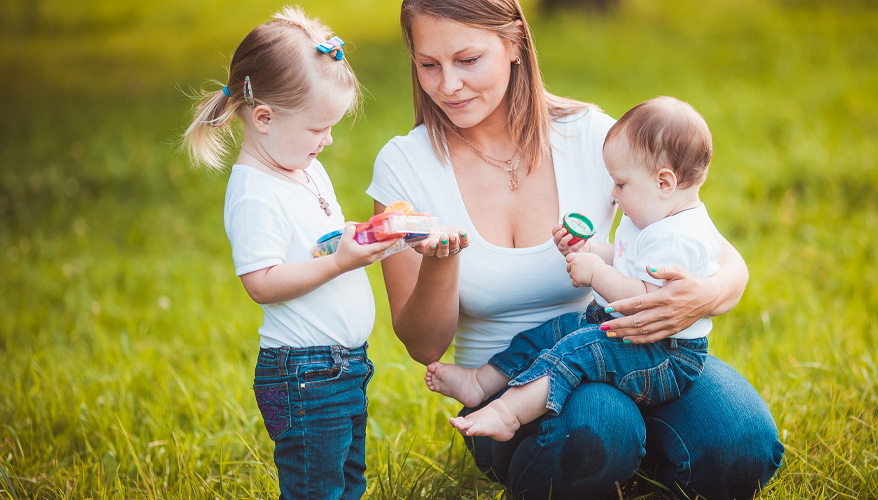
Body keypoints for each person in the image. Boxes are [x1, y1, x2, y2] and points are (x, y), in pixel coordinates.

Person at [367, 1, 784, 499]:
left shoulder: (591, 136)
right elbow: (423, 346)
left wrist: (704, 296)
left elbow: (718, 252)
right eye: (428, 64)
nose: (448, 85)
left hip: (633, 351)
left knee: (743, 441)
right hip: (508, 385)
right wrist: (441, 264)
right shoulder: (405, 165)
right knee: (601, 423)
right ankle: (604, 459)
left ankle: (629, 469)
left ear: (516, 43)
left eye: (468, 60)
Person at [181, 7, 416, 499]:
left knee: (348, 483)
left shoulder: (302, 166)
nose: (327, 140)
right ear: (263, 118)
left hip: (345, 367)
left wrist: (356, 235)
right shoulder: (254, 192)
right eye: (317, 129)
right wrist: (338, 262)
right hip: (305, 375)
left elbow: (313, 240)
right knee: (316, 489)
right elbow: (261, 281)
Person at [427, 96, 722, 442]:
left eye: (621, 184)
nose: (613, 191)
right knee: (554, 332)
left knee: (574, 351)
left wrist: (595, 273)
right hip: (624, 331)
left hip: (662, 355)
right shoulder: (656, 215)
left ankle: (508, 413)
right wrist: (590, 250)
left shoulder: (681, 237)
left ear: (664, 183)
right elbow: (627, 256)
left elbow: (645, 302)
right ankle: (481, 382)